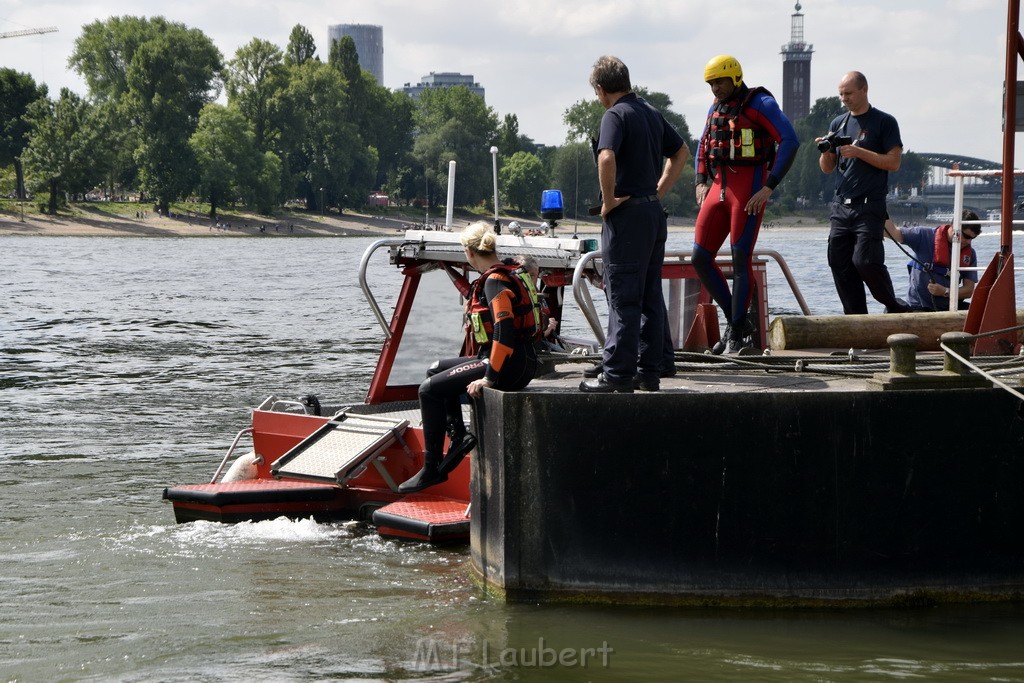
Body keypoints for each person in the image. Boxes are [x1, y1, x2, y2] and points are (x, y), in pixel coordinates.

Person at [398, 222, 540, 493]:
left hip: (509, 366)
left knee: (428, 390)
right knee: (434, 370)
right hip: (513, 361)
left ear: (469, 252)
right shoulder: (507, 270)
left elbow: (504, 332)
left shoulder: (495, 281)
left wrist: (489, 377)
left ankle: (431, 468)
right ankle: (458, 437)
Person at [579, 55, 689, 393]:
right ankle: (648, 372)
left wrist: (609, 199)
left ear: (601, 89)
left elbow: (606, 155)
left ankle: (616, 376)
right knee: (650, 295)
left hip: (627, 217)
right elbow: (681, 152)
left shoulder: (614, 115)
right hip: (653, 214)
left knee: (624, 297)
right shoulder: (650, 112)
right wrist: (657, 190)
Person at [693, 55, 799, 354]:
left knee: (740, 258)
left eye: (720, 82)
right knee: (700, 257)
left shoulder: (760, 104)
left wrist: (769, 187)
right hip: (718, 188)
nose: (715, 88)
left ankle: (736, 333)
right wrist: (700, 180)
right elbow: (702, 145)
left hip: (749, 188)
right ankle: (737, 323)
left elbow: (790, 140)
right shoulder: (716, 107)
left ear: (735, 78)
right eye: (711, 83)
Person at [818, 71, 910, 315]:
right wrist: (826, 152)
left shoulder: (884, 122)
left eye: (848, 93)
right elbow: (827, 169)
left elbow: (894, 162)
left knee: (866, 262)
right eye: (840, 94)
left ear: (864, 90)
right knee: (838, 263)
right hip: (841, 206)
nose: (844, 99)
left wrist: (859, 153)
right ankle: (856, 318)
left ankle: (894, 306)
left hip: (870, 206)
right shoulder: (837, 124)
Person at [884, 210, 980, 312]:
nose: (969, 241)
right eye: (966, 236)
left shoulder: (970, 255)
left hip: (949, 307)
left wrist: (945, 291)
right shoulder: (923, 236)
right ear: (953, 227)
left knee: (979, 311)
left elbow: (969, 290)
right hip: (919, 306)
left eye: (973, 238)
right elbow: (891, 232)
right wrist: (878, 204)